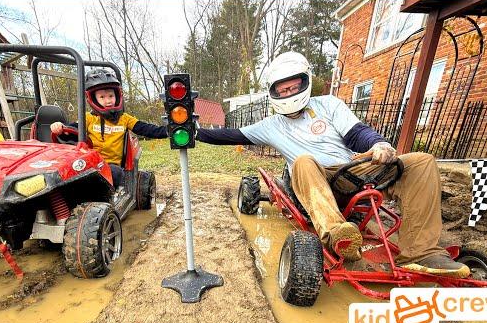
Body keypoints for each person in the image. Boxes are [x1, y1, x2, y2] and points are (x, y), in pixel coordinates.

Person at [196, 51, 469, 278]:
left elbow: (357, 133)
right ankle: (337, 234)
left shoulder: (328, 104)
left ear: (304, 83)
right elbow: (226, 135)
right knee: (302, 160)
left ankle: (422, 252)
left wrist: (378, 144)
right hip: (309, 178)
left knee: (421, 162)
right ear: (274, 92)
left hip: (348, 171)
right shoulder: (270, 126)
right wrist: (187, 131)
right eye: (283, 89)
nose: (289, 92)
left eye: (293, 86)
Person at [50, 68, 166, 188]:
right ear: (94, 99)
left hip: (112, 165)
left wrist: (167, 131)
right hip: (90, 163)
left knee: (114, 173)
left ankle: (111, 199)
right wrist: (60, 128)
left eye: (111, 96)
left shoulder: (124, 118)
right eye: (102, 97)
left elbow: (145, 128)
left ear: (117, 96)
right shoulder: (89, 118)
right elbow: (71, 130)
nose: (108, 100)